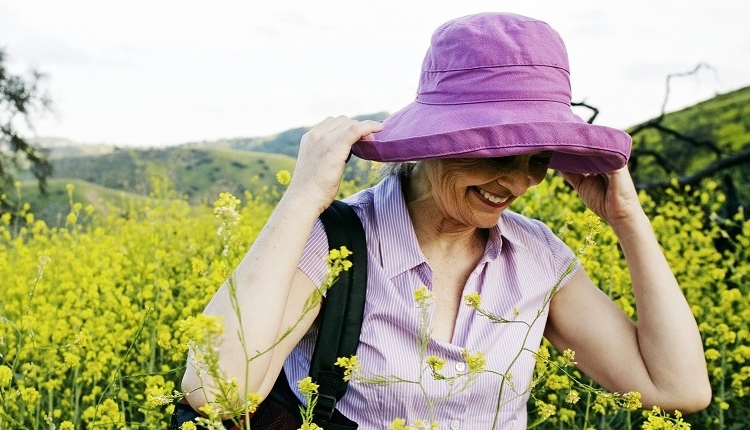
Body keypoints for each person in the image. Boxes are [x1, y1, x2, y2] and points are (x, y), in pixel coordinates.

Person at [182, 12, 711, 428]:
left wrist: (628, 218)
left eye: (538, 159)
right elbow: (217, 392)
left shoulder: (536, 256)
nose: (522, 182)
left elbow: (677, 390)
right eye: (497, 153)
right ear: (438, 142)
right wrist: (301, 200)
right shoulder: (336, 241)